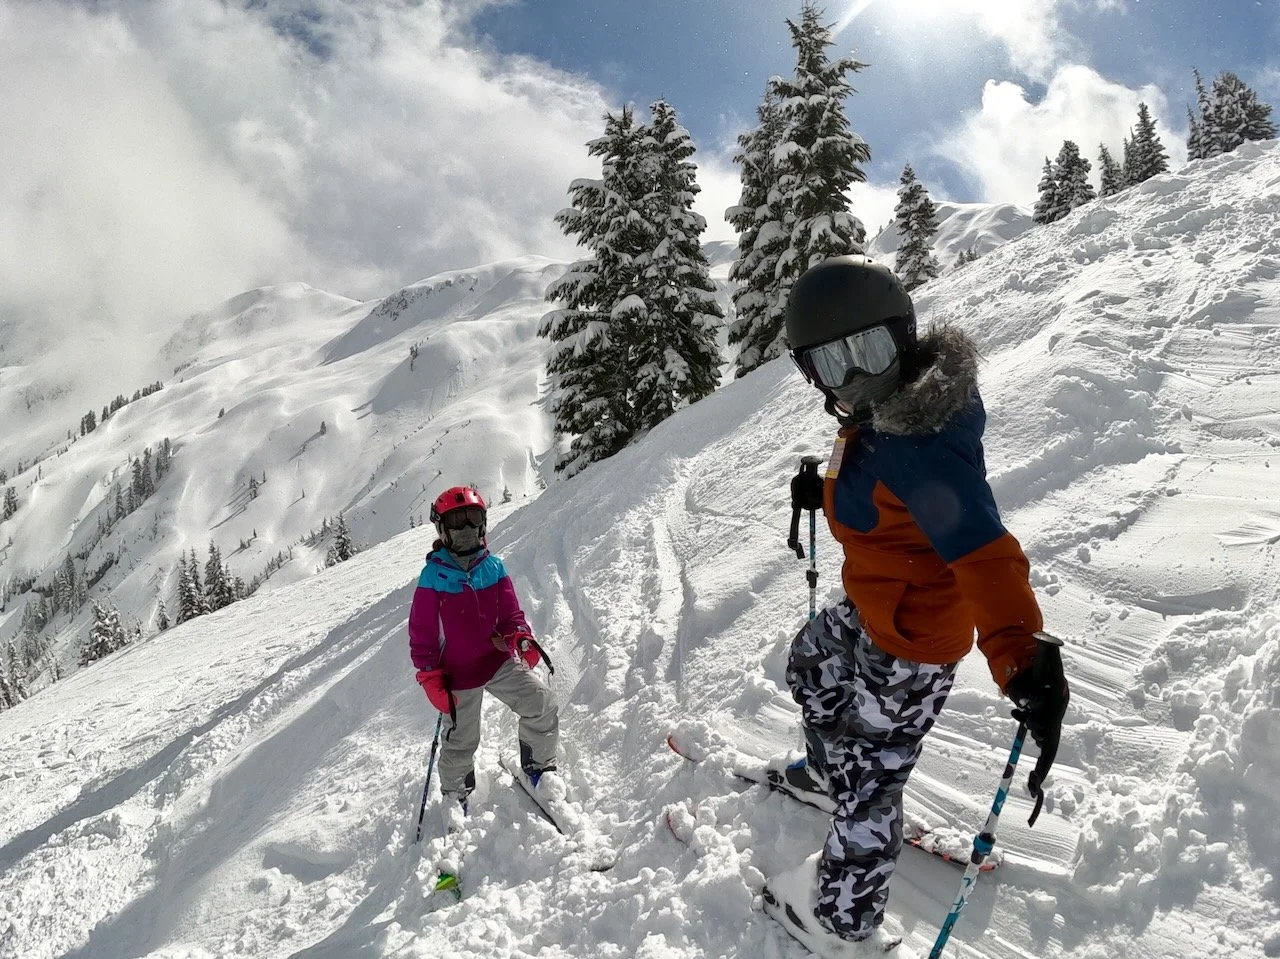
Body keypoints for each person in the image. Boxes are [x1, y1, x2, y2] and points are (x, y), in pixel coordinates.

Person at [773, 255, 1069, 951]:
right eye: (831, 362)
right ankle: (826, 769)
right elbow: (885, 502)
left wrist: (1022, 659)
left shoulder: (922, 445)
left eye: (867, 352)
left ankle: (841, 920)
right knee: (809, 661)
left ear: (901, 335)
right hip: (875, 606)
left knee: (871, 785)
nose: (854, 377)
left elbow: (983, 551)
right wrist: (822, 494)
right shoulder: (890, 413)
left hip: (911, 643)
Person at [408, 486, 558, 811]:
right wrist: (430, 676)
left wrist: (520, 636)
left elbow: (510, 616)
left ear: (483, 523)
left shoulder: (494, 567)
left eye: (472, 518)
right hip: (458, 673)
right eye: (456, 520)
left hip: (497, 661)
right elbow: (422, 635)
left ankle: (538, 768)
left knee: (541, 702)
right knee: (461, 741)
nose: (465, 528)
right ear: (442, 529)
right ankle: (455, 796)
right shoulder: (432, 577)